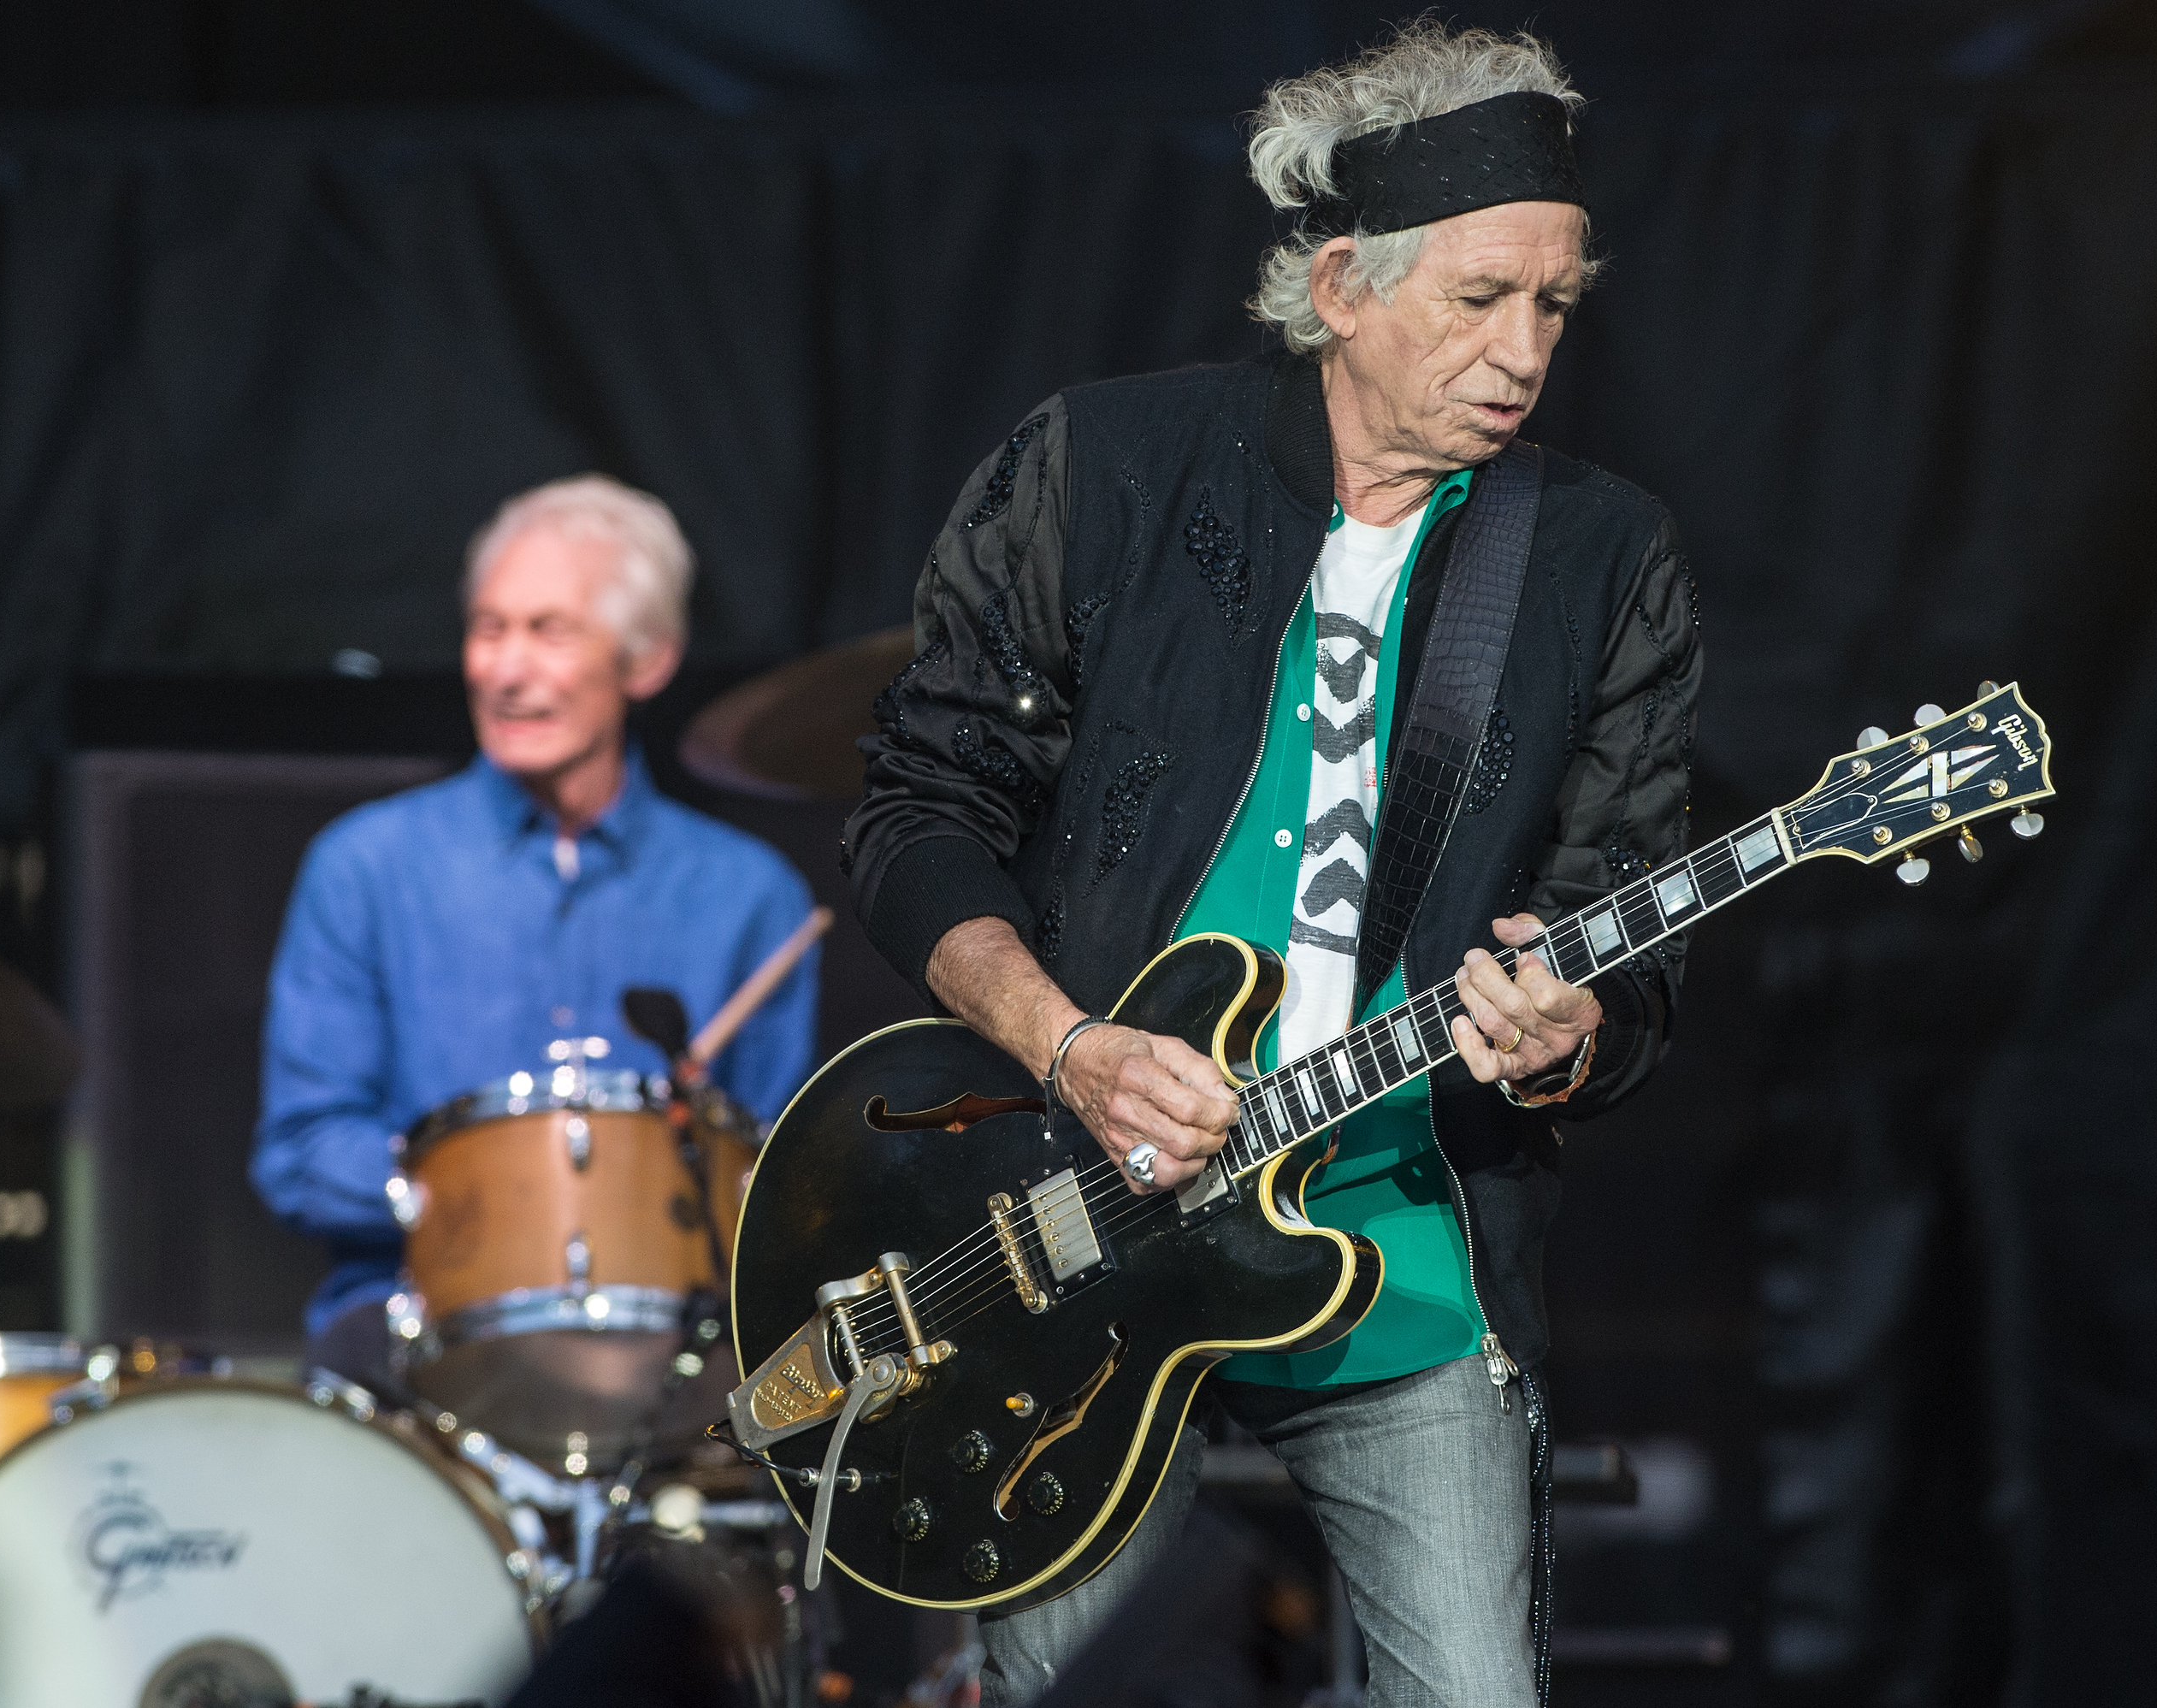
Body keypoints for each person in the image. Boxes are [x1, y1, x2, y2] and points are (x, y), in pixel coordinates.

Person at [841, 24, 1699, 1707]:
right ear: (1341, 285)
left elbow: (1633, 931)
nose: (1522, 349)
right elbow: (914, 810)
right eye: (1477, 299)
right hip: (1080, 1225)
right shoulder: (1103, 469)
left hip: (1404, 1244)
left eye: (1553, 303)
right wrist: (1070, 1042)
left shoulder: (1603, 556)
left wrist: (1572, 1030)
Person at [254, 475, 822, 1387]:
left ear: (647, 660)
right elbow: (302, 1150)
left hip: (669, 1361)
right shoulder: (363, 866)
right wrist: (476, 1192)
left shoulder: (751, 895)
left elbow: (774, 1183)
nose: (505, 669)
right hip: (417, 1339)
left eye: (549, 631)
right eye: (489, 628)